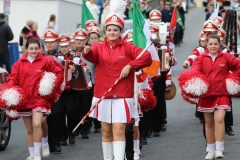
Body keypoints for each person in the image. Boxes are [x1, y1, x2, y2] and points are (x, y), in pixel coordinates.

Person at [82, 0, 152, 159]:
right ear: (104, 31)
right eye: (109, 29)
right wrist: (86, 52)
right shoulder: (98, 47)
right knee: (106, 131)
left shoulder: (128, 47)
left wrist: (131, 65)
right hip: (102, 94)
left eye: (115, 30)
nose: (112, 32)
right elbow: (91, 57)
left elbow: (146, 57)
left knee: (119, 130)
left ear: (120, 31)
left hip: (122, 95)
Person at [5, 38, 63, 160]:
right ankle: (31, 154)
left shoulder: (46, 61)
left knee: (37, 123)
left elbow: (59, 73)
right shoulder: (18, 64)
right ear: (26, 49)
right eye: (31, 48)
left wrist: (51, 86)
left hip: (40, 99)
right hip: (25, 100)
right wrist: (10, 91)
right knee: (30, 128)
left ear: (40, 49)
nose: (34, 51)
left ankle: (38, 152)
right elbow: (13, 78)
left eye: (36, 48)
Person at [190, 34, 240, 160]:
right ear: (206, 44)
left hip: (222, 93)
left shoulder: (226, 57)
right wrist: (198, 81)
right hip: (206, 95)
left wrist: (233, 79)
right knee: (208, 122)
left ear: (220, 44)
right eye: (211, 44)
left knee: (219, 119)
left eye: (215, 44)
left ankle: (219, 149)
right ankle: (210, 150)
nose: (213, 46)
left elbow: (238, 66)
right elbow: (194, 71)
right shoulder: (200, 58)